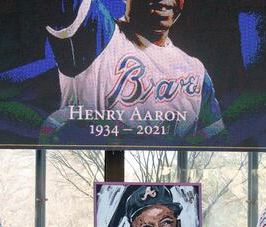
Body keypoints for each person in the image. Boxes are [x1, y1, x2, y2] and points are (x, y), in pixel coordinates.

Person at [43, 0, 227, 145]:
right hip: (95, 166)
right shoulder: (96, 32)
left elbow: (217, 146)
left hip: (166, 174)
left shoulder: (196, 70)